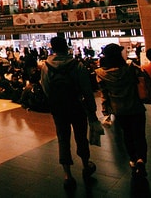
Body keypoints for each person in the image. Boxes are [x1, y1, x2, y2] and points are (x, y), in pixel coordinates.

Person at [41, 36, 101, 189]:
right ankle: (86, 165)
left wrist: (55, 101)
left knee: (63, 138)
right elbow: (87, 89)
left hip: (59, 108)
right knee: (81, 136)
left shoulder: (46, 66)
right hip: (76, 105)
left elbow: (46, 89)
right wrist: (92, 110)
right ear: (67, 47)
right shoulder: (77, 65)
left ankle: (67, 174)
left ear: (52, 48)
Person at [95, 43, 148, 177]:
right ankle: (142, 158)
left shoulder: (100, 73)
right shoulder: (130, 67)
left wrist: (105, 110)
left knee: (127, 134)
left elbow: (104, 93)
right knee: (139, 135)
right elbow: (142, 77)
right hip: (135, 107)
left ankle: (133, 159)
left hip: (119, 109)